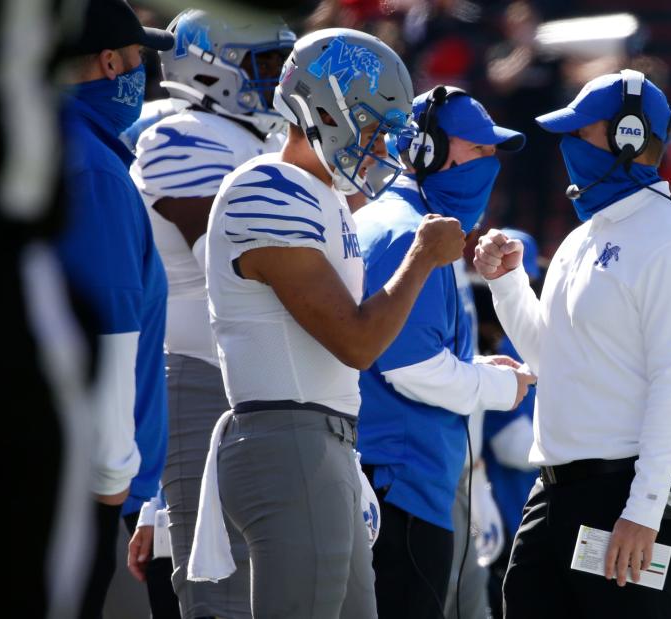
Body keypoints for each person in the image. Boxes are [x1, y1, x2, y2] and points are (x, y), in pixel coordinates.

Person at [190, 28, 467, 619]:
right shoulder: (268, 186)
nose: (378, 147)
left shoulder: (326, 200)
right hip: (289, 437)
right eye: (370, 127)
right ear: (325, 108)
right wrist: (420, 257)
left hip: (324, 439)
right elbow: (356, 342)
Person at [474, 70, 671, 618]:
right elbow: (550, 361)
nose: (567, 147)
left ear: (627, 138)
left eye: (580, 133)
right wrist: (508, 282)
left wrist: (644, 511)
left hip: (624, 496)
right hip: (555, 492)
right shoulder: (581, 237)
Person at [125, 10, 295, 619]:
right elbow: (241, 262)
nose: (279, 81)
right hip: (198, 373)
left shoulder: (258, 138)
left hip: (248, 378)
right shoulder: (181, 134)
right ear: (211, 67)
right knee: (219, 589)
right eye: (266, 65)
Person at [354, 86, 534, 618]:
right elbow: (409, 368)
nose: (489, 163)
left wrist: (477, 369)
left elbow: (409, 349)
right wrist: (502, 388)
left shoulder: (416, 225)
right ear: (430, 149)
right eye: (478, 148)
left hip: (405, 478)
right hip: (399, 484)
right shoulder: (408, 232)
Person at [54, 1, 174, 617]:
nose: (142, 75)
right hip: (91, 491)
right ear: (108, 62)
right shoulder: (95, 170)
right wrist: (112, 483)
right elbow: (109, 333)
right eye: (136, 60)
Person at [476, 228, 543, 618]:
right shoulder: (504, 350)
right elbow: (509, 444)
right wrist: (580, 447)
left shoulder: (527, 338)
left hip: (529, 507)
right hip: (504, 513)